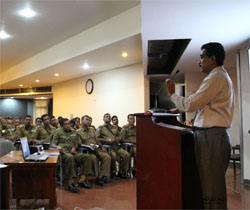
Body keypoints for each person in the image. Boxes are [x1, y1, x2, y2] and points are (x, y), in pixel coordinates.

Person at [166, 42, 234, 209]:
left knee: (212, 189)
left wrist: (172, 94)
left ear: (213, 59)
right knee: (210, 186)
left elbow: (191, 104)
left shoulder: (216, 77)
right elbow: (200, 101)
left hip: (212, 136)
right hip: (212, 136)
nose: (199, 61)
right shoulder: (218, 76)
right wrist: (178, 107)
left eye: (202, 57)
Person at [52, 118, 92, 193]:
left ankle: (82, 180)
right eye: (65, 124)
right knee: (69, 157)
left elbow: (77, 142)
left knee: (86, 157)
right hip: (63, 153)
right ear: (61, 126)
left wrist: (74, 147)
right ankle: (70, 182)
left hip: (72, 152)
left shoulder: (74, 132)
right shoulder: (58, 132)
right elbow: (53, 144)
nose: (68, 126)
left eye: (69, 124)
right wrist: (58, 147)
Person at [77, 115, 111, 186]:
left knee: (107, 157)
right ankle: (97, 176)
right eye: (86, 120)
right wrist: (88, 146)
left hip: (96, 149)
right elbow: (79, 144)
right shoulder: (78, 132)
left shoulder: (92, 129)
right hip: (87, 151)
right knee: (94, 159)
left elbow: (97, 140)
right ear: (82, 121)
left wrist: (102, 147)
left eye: (89, 120)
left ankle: (101, 176)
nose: (88, 121)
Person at [96, 113, 130, 179]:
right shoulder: (100, 127)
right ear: (103, 119)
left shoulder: (115, 127)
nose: (108, 117)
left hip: (116, 146)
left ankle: (121, 172)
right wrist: (106, 140)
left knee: (127, 154)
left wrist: (118, 138)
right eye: (106, 116)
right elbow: (97, 138)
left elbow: (120, 136)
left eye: (109, 117)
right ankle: (113, 172)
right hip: (108, 147)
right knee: (113, 156)